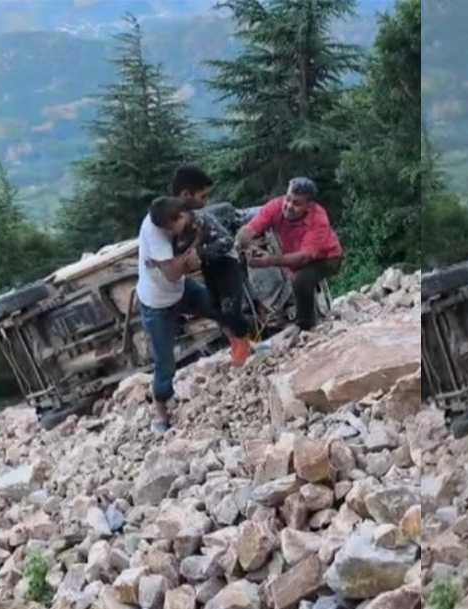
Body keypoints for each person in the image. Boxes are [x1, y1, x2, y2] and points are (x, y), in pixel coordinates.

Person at [137, 196, 219, 433]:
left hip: (179, 290)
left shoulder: (167, 215)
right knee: (165, 362)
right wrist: (192, 255)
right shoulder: (157, 235)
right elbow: (173, 273)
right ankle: (160, 413)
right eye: (173, 229)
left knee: (217, 307)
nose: (175, 232)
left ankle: (245, 347)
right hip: (157, 303)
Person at [170, 165, 253, 366]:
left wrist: (199, 253)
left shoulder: (200, 218)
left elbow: (227, 242)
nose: (205, 202)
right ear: (185, 194)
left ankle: (245, 347)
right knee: (217, 309)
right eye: (203, 197)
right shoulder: (173, 219)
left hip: (227, 264)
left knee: (230, 309)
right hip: (209, 268)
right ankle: (239, 346)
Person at [236, 177, 343, 331]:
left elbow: (304, 257)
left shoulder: (318, 219)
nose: (288, 206)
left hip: (327, 258)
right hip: (296, 255)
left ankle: (304, 326)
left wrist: (269, 261)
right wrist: (244, 244)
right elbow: (250, 228)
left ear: (309, 206)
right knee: (292, 276)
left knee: (301, 279)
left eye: (297, 203)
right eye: (288, 199)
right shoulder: (275, 206)